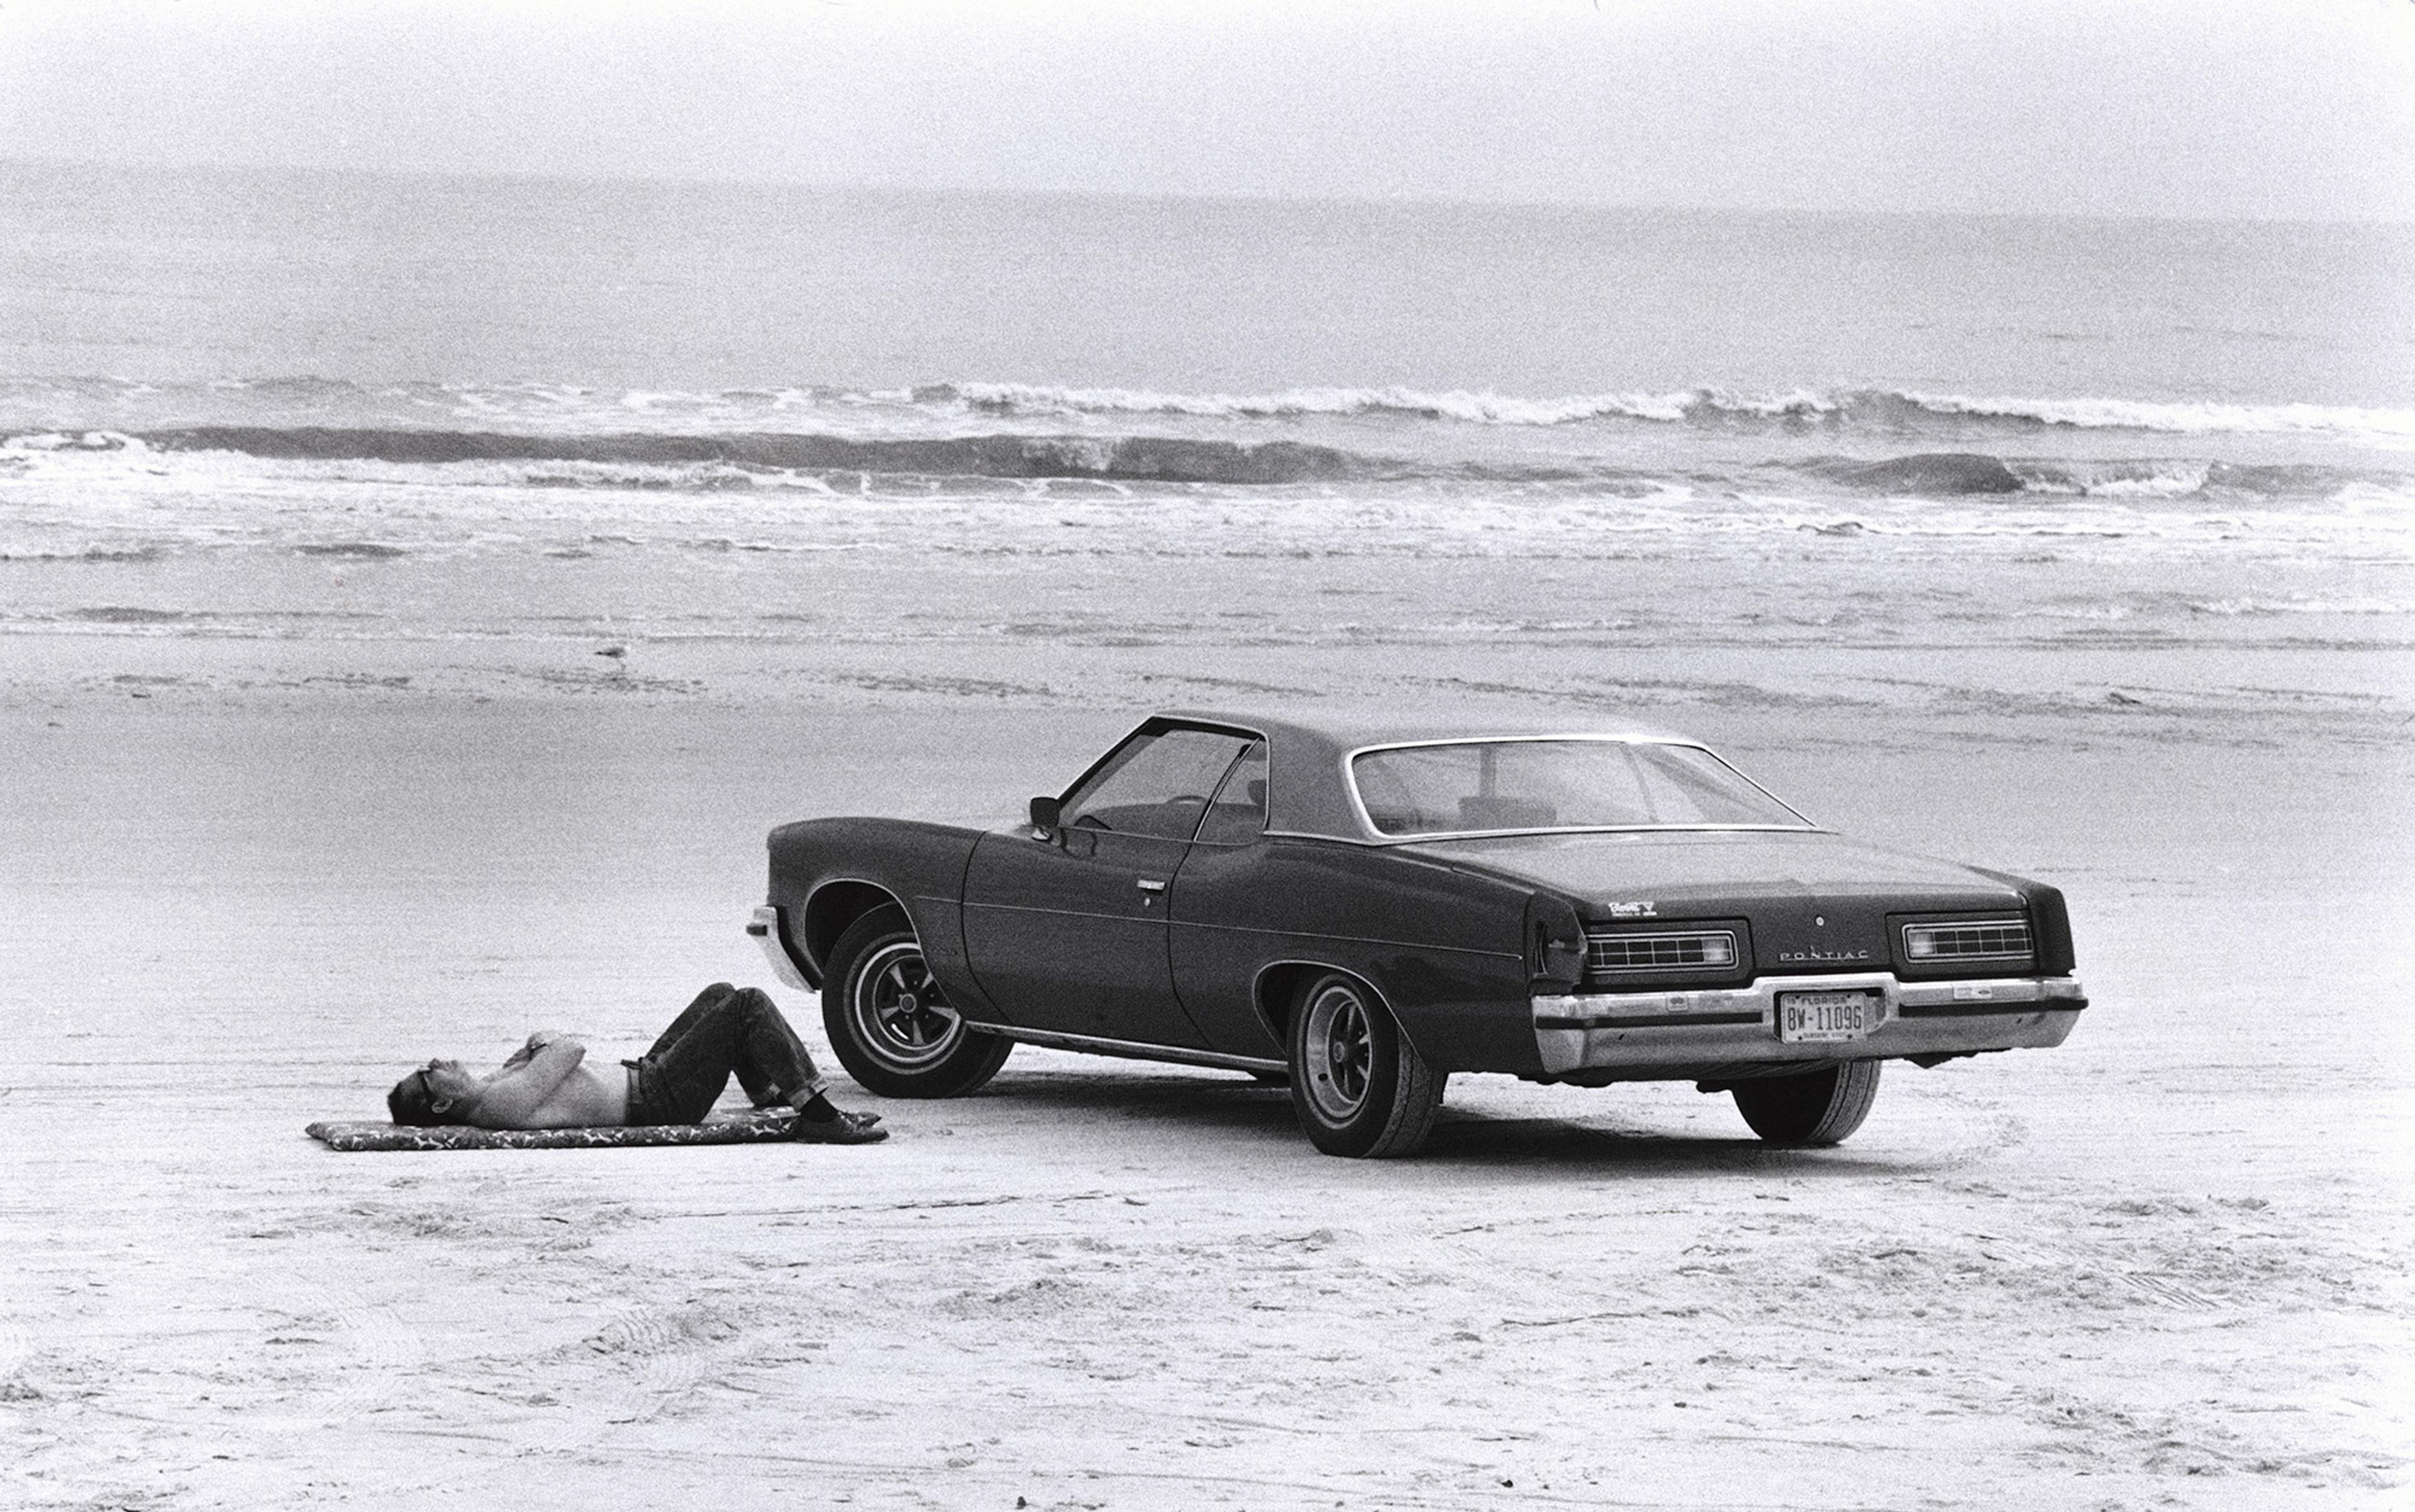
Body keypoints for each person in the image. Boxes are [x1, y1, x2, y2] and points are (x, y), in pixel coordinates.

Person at [387, 982, 886, 1143]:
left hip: (647, 1077)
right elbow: (566, 1050)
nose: (436, 1062)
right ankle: (818, 1114)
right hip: (660, 1099)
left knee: (721, 995)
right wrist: (544, 1039)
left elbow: (541, 1055)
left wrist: (539, 1048)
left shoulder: (487, 1089)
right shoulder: (498, 1105)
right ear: (440, 1105)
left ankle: (767, 1095)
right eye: (429, 1074)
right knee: (747, 1006)